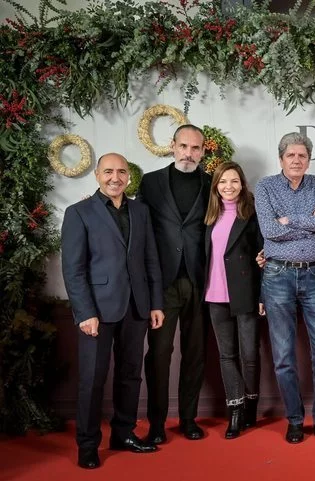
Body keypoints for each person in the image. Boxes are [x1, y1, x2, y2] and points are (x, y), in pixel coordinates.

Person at [62, 153, 165, 469]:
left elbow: (150, 260)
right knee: (92, 379)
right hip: (97, 311)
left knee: (130, 375)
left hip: (137, 306)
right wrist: (85, 312)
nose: (115, 177)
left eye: (121, 171)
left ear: (128, 177)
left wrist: (155, 303)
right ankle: (87, 445)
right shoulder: (78, 212)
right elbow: (73, 269)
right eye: (108, 171)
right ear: (97, 175)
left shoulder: (140, 211)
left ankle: (123, 433)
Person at [254, 132, 315, 444]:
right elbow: (269, 230)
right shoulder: (266, 186)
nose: (296, 160)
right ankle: (294, 420)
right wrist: (308, 222)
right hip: (277, 275)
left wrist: (288, 220)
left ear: (308, 160)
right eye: (291, 155)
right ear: (281, 159)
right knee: (283, 356)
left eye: (302, 156)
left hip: (314, 275)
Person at [137, 124, 211, 443]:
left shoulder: (212, 184)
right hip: (162, 283)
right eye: (183, 146)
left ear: (203, 151)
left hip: (199, 280)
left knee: (195, 354)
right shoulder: (151, 182)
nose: (188, 153)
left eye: (195, 148)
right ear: (173, 146)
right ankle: (156, 423)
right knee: (159, 354)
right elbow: (139, 228)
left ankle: (188, 419)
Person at [203, 161, 264, 439]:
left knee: (249, 355)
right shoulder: (209, 216)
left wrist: (262, 295)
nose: (229, 186)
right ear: (216, 186)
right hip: (215, 294)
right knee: (227, 355)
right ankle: (235, 409)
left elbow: (264, 256)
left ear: (242, 184)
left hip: (245, 292)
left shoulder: (252, 214)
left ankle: (251, 405)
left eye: (234, 181)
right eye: (223, 181)